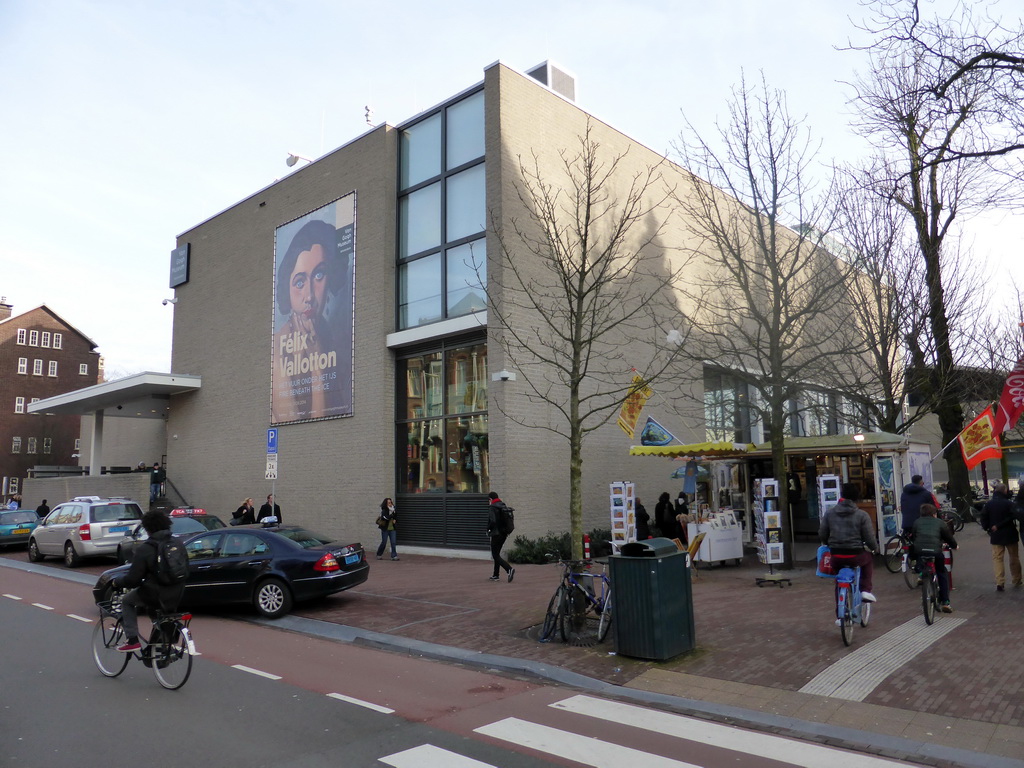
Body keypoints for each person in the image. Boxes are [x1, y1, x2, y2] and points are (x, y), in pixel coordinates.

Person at [271, 218, 352, 423]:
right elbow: (308, 428)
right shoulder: (277, 350)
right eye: (299, 282)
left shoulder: (325, 333)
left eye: (318, 275)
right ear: (286, 288)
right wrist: (317, 366)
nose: (309, 296)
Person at [110, 510, 185, 652]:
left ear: (147, 528)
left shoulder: (145, 548)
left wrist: (117, 582)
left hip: (156, 593)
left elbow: (133, 579)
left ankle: (132, 640)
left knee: (127, 601)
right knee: (156, 610)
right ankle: (162, 642)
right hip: (177, 591)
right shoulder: (178, 543)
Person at [819, 483, 878, 603]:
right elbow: (869, 538)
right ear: (856, 498)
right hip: (856, 555)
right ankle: (866, 590)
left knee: (838, 580)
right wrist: (874, 549)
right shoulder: (862, 515)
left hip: (836, 555)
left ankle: (840, 615)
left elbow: (822, 534)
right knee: (868, 559)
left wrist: (828, 543)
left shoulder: (829, 514)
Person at [910, 503, 958, 612]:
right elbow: (948, 537)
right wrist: (955, 546)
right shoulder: (940, 523)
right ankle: (945, 602)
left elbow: (914, 537)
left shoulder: (917, 522)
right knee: (942, 572)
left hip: (920, 550)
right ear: (934, 514)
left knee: (920, 555)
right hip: (936, 551)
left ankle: (921, 574)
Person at [978, 483, 1021, 592]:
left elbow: (983, 517)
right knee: (1014, 557)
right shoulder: (1009, 504)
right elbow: (1014, 515)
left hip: (996, 535)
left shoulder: (989, 504)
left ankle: (1000, 582)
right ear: (1005, 491)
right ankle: (1016, 579)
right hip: (1010, 533)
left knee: (997, 559)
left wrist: (988, 528)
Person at [486, 491, 514, 582]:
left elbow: (493, 521)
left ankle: (509, 569)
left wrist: (488, 529)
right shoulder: (503, 505)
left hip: (496, 534)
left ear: (490, 499)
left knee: (495, 554)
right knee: (497, 554)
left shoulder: (492, 507)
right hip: (504, 533)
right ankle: (495, 575)